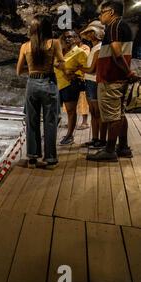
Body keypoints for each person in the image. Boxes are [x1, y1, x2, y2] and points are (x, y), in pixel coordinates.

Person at [87, 1, 140, 162]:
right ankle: (123, 147)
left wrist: (128, 71)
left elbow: (117, 53)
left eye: (102, 12)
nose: (100, 15)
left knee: (112, 116)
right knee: (119, 114)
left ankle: (110, 150)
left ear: (110, 12)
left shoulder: (114, 26)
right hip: (118, 77)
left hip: (111, 79)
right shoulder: (122, 26)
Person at [17, 14, 65, 169]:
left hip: (32, 84)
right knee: (50, 122)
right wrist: (55, 65)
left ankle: (32, 158)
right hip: (48, 83)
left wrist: (31, 68)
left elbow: (19, 71)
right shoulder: (55, 43)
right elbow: (61, 64)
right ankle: (50, 159)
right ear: (48, 28)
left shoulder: (25, 46)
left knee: (32, 121)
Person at [54, 30, 88, 146]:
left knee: (70, 111)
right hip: (56, 84)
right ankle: (51, 133)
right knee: (54, 111)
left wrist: (76, 74)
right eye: (66, 37)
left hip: (70, 85)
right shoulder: (59, 51)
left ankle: (69, 135)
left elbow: (85, 69)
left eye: (71, 37)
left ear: (76, 38)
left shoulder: (79, 52)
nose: (68, 39)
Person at [79, 20, 108, 149]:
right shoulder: (94, 48)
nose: (89, 34)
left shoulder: (99, 48)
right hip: (90, 81)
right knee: (93, 112)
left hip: (94, 81)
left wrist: (78, 67)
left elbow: (92, 69)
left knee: (98, 113)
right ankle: (95, 138)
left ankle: (101, 140)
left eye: (91, 32)